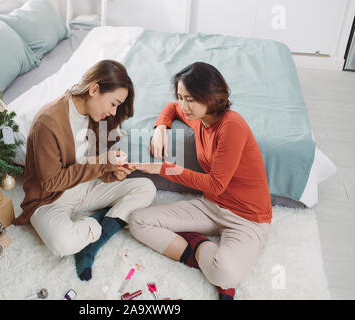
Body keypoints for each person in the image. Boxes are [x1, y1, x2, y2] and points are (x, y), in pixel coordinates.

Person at [129, 62, 272, 300]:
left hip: (247, 218)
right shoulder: (200, 118)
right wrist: (160, 128)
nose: (184, 106)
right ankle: (196, 246)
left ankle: (196, 245)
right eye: (181, 97)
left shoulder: (231, 125)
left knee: (225, 275)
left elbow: (216, 184)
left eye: (191, 99)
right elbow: (172, 108)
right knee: (138, 221)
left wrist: (163, 168)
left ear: (212, 97)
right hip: (210, 206)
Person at [14, 60, 157, 281]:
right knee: (62, 243)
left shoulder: (95, 117)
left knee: (146, 187)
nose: (113, 111)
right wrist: (103, 163)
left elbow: (92, 166)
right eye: (113, 103)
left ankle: (92, 244)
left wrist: (111, 173)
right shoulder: (48, 122)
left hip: (86, 189)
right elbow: (50, 182)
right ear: (94, 89)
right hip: (50, 198)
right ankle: (100, 222)